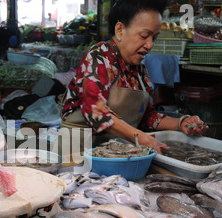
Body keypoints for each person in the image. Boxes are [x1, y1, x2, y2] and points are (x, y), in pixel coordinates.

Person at [62, 0, 208, 154]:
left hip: (114, 153)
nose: (150, 45)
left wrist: (181, 123)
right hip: (75, 152)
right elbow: (97, 113)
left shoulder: (140, 72)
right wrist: (144, 139)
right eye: (144, 36)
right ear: (120, 30)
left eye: (154, 38)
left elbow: (147, 117)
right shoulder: (98, 58)